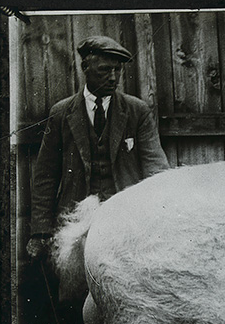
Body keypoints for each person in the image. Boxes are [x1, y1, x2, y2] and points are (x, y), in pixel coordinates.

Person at [26, 35, 170, 270]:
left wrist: (160, 218)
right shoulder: (62, 113)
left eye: (117, 70)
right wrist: (40, 232)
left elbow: (157, 170)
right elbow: (45, 176)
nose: (113, 78)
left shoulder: (137, 111)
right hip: (76, 223)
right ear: (85, 67)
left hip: (126, 219)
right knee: (74, 291)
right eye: (104, 70)